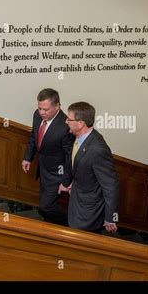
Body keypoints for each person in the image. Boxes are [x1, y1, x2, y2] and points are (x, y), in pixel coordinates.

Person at [60, 102, 119, 233]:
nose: (66, 121)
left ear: (80, 124)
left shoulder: (97, 149)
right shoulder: (78, 137)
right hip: (77, 196)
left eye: (69, 119)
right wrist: (67, 183)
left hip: (88, 208)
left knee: (80, 238)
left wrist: (110, 217)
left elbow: (111, 185)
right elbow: (74, 162)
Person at [22, 88, 74, 225]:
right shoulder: (37, 115)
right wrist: (28, 157)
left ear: (57, 106)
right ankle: (51, 230)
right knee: (45, 207)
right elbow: (34, 136)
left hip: (58, 174)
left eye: (46, 109)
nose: (42, 113)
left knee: (46, 207)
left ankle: (75, 222)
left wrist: (66, 181)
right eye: (40, 108)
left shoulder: (66, 126)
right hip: (43, 169)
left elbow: (70, 157)